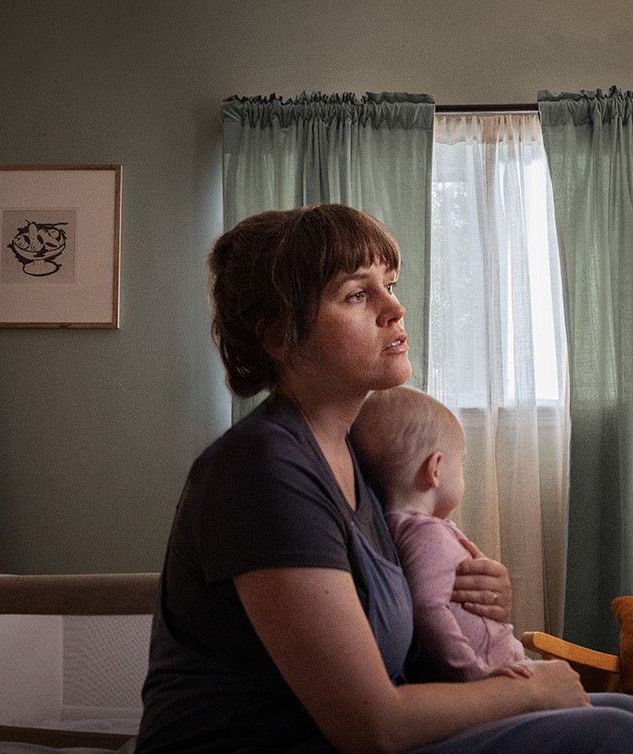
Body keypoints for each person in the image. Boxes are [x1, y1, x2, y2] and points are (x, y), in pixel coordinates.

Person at [135, 204, 633, 753]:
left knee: (621, 709)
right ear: (278, 335)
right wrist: (535, 690)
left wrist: (469, 595)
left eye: (390, 285)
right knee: (613, 729)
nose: (394, 309)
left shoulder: (355, 460)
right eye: (356, 294)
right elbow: (373, 727)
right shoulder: (262, 471)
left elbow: (399, 654)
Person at [351, 385, 526, 682]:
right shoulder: (425, 533)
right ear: (435, 468)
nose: (462, 477)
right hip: (492, 673)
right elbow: (428, 607)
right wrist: (472, 672)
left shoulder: (396, 527)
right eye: (461, 464)